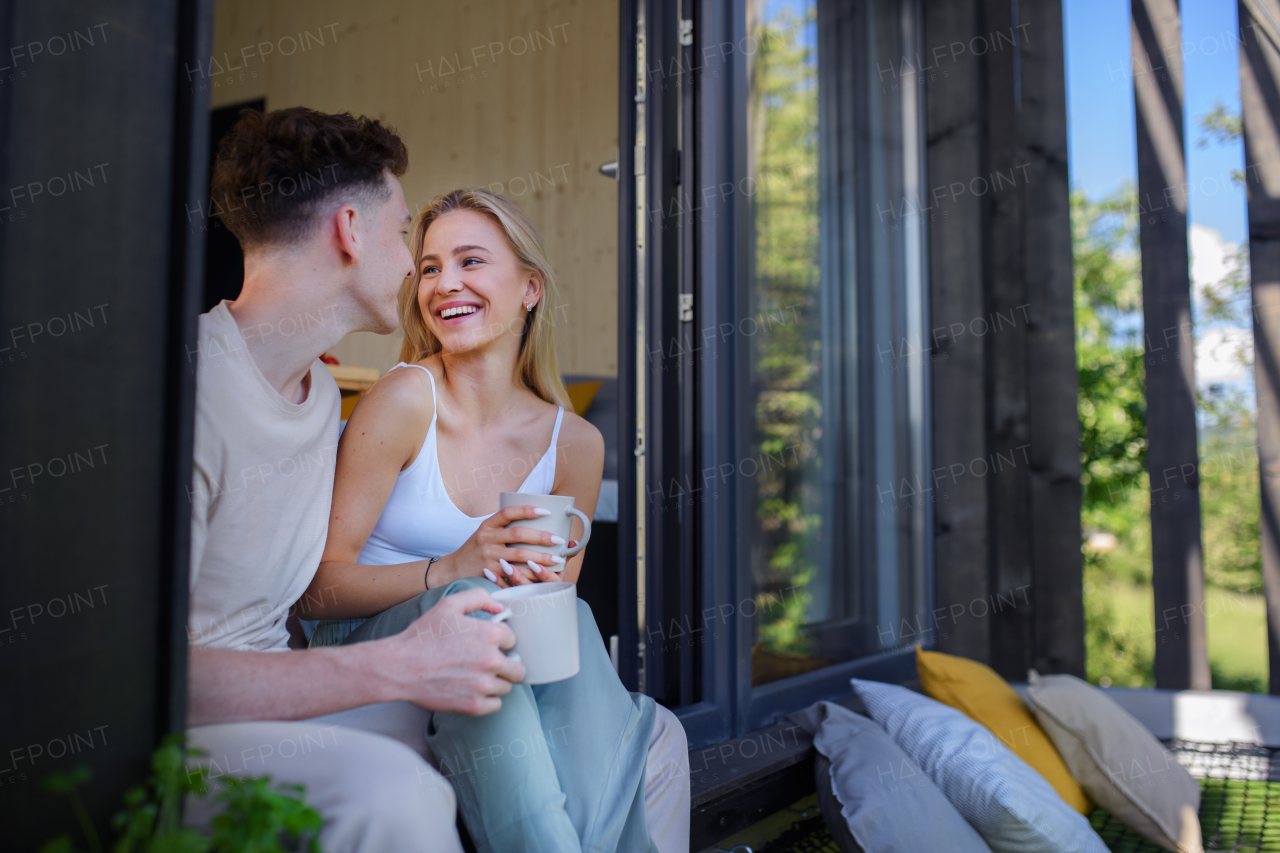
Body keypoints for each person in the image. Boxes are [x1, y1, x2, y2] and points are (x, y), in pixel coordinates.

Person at [302, 188, 691, 853]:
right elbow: (316, 588)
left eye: (470, 261)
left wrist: (527, 584)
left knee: (571, 626)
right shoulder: (402, 400)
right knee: (474, 607)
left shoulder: (575, 445)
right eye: (429, 266)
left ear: (530, 288)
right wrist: (453, 568)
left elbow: (547, 613)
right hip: (368, 648)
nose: (444, 282)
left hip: (494, 662)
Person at [184, 107, 526, 853]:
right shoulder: (186, 397)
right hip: (177, 739)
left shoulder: (316, 396)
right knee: (396, 795)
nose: (413, 264)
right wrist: (397, 661)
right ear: (348, 229)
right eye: (403, 232)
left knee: (549, 727)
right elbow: (134, 680)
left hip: (281, 700)